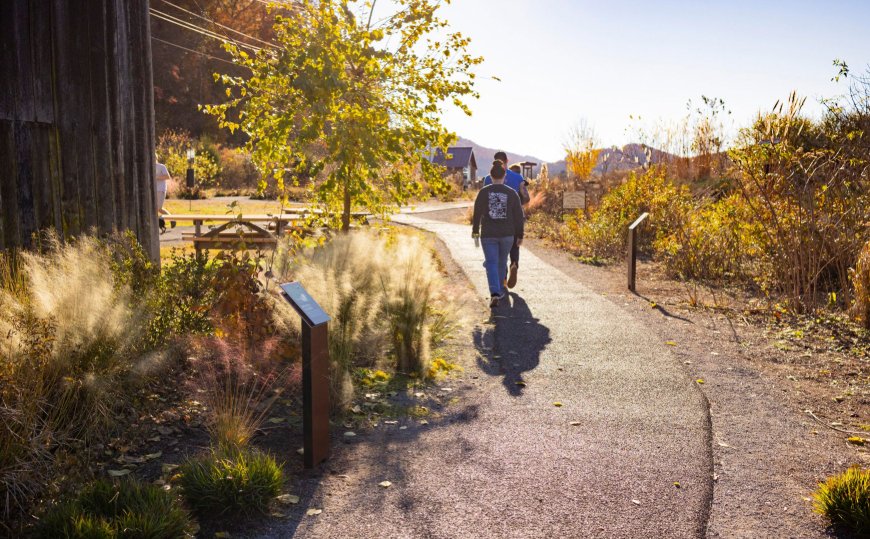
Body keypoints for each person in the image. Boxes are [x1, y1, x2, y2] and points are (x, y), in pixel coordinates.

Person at [472, 160, 525, 308]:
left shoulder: (483, 192)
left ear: (490, 176)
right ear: (505, 177)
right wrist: (520, 235)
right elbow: (518, 216)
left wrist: (475, 232)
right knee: (502, 261)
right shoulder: (512, 193)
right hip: (507, 235)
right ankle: (500, 290)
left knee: (491, 262)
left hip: (488, 234)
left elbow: (476, 214)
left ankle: (494, 292)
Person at [483, 151, 529, 288]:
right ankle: (514, 263)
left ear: (494, 161)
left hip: (495, 221)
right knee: (515, 244)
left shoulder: (487, 179)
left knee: (498, 250)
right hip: (515, 218)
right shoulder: (518, 177)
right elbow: (526, 198)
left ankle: (502, 278)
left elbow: (484, 200)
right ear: (507, 160)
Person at [154, 154, 174, 233]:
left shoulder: (161, 166)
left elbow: (167, 176)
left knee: (159, 208)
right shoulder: (149, 167)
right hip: (153, 190)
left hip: (161, 189)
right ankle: (170, 220)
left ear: (156, 158)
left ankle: (171, 219)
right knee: (156, 209)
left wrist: (156, 177)